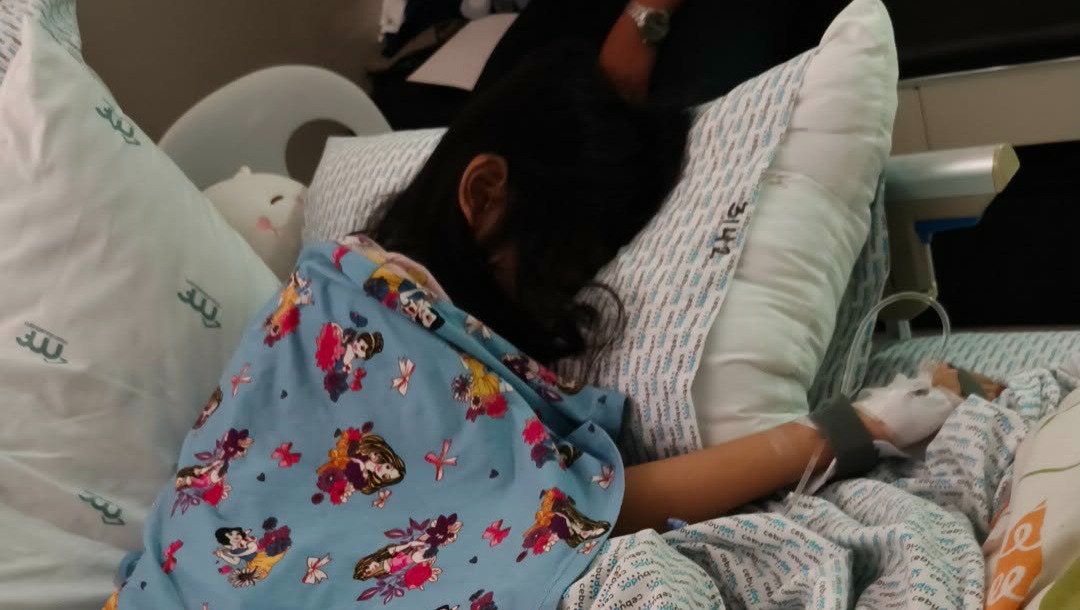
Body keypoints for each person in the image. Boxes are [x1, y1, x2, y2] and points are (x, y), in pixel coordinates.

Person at [105, 3, 1003, 609]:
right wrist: (853, 429)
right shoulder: (361, 305)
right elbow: (575, 509)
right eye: (559, 266)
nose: (557, 301)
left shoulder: (418, 300)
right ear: (483, 196)